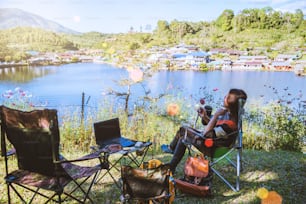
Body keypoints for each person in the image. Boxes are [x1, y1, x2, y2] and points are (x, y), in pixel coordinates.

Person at [162, 88, 247, 173]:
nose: (224, 97)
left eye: (227, 97)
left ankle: (172, 152)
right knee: (183, 135)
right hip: (215, 142)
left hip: (213, 148)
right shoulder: (231, 115)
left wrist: (215, 116)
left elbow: (206, 133)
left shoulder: (229, 125)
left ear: (230, 103)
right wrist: (205, 117)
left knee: (183, 131)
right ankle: (171, 163)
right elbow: (216, 127)